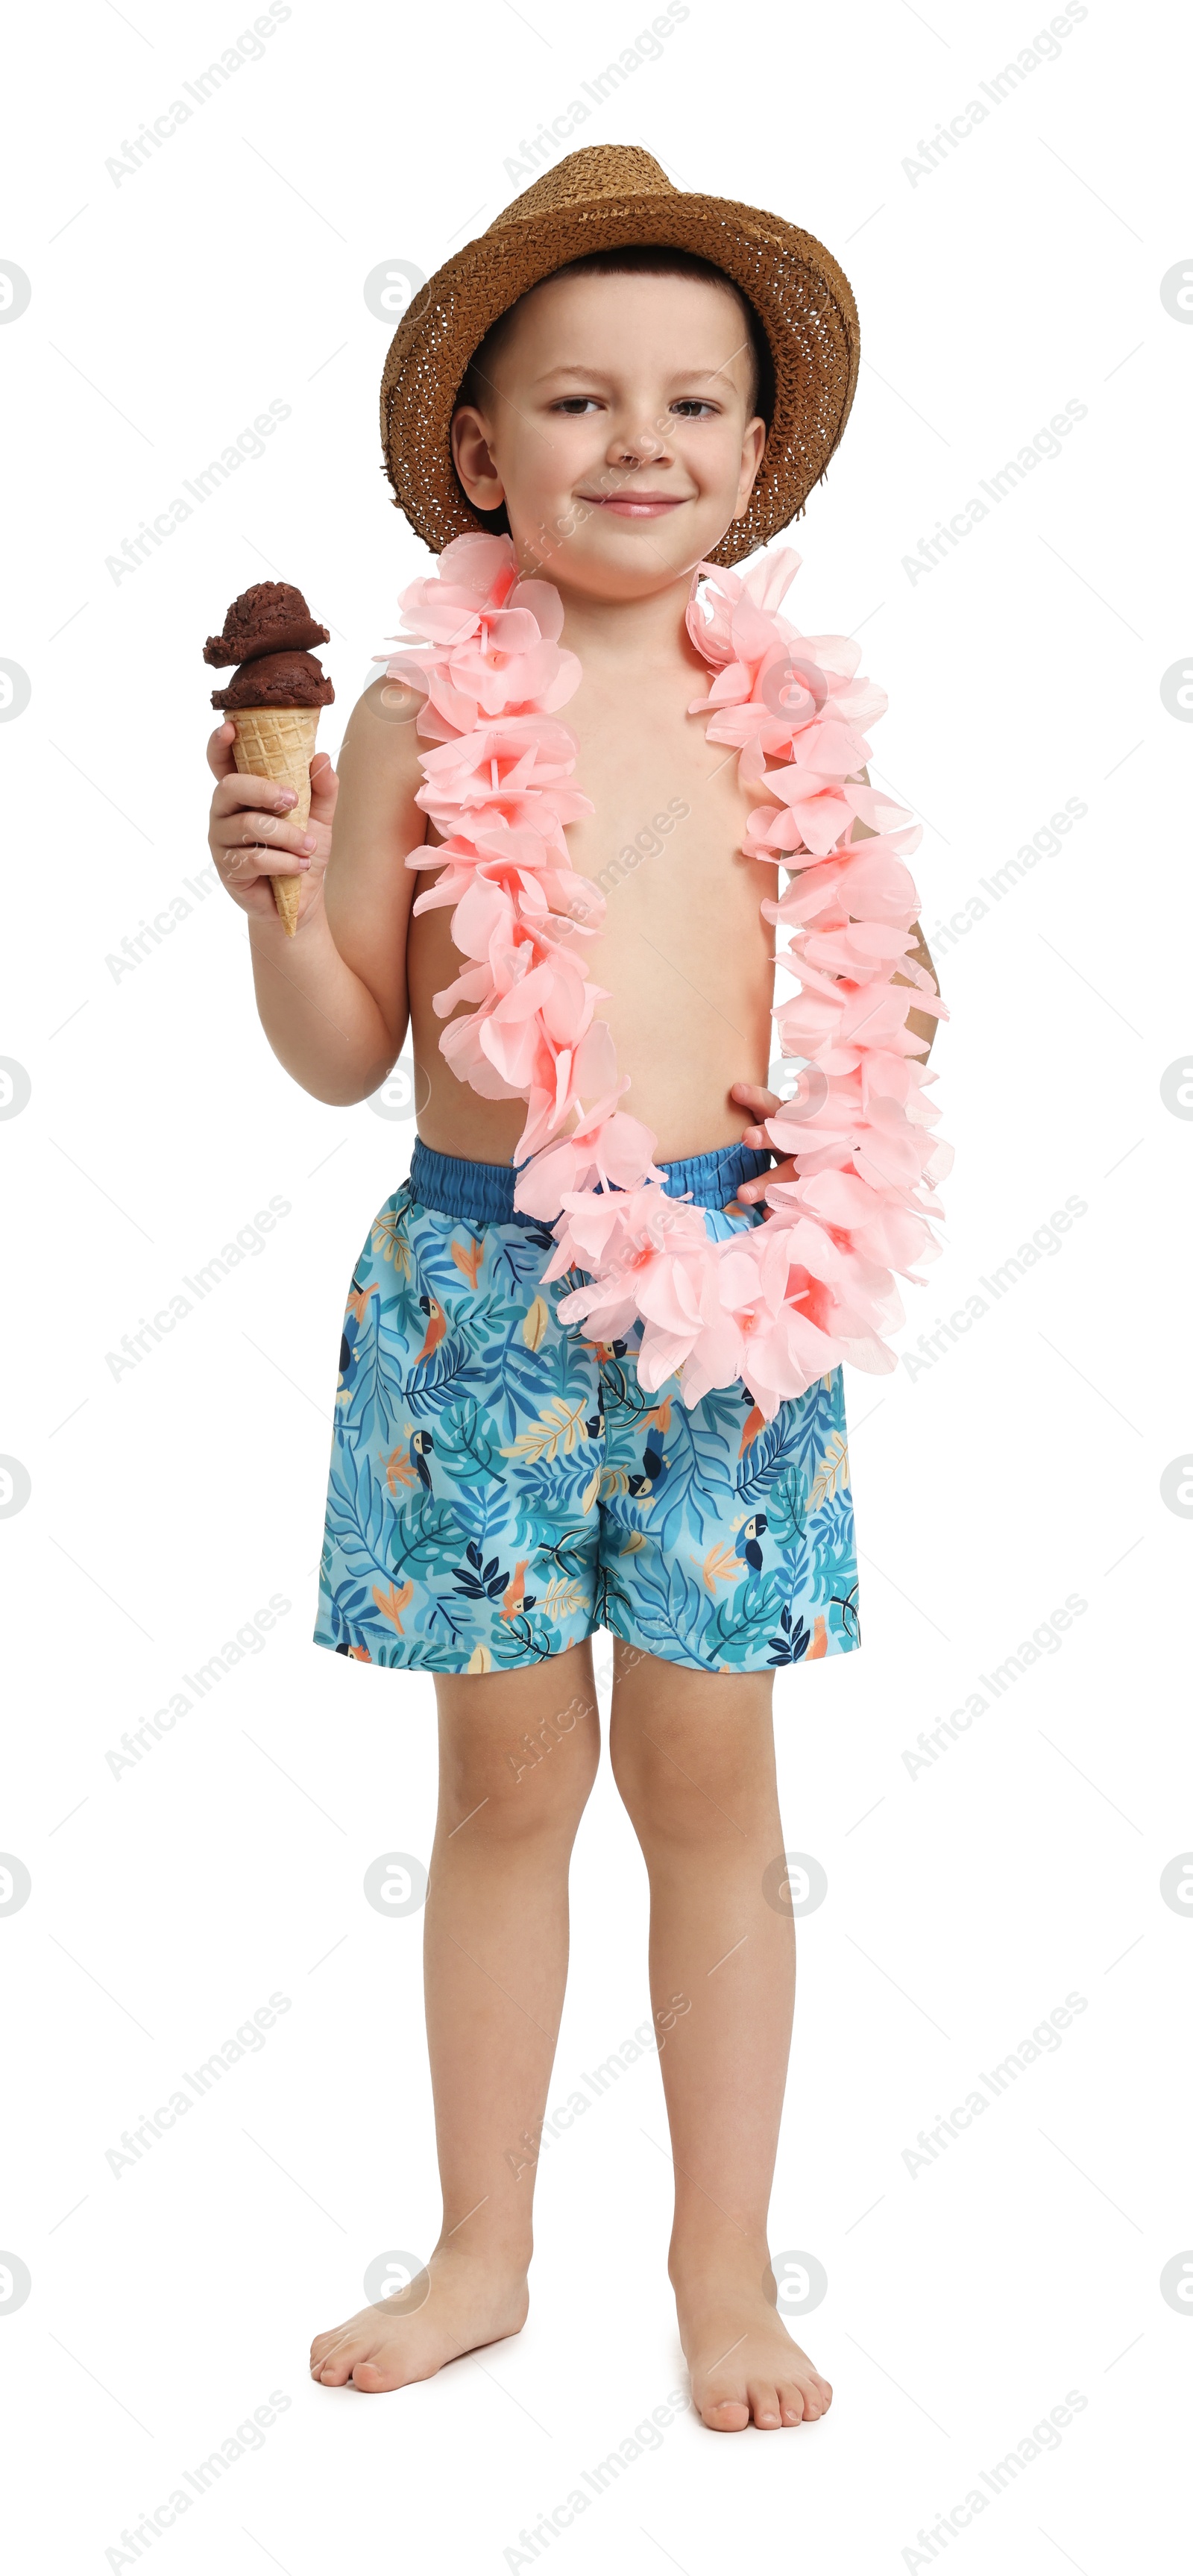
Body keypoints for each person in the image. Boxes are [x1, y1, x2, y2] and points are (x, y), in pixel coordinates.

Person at [205, 146, 943, 2433]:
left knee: (713, 1778)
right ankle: (483, 2251)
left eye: (697, 407)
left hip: (742, 1288)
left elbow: (885, 997)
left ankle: (726, 2269)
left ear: (755, 454)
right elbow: (351, 1056)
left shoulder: (783, 718)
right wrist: (269, 905)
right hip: (476, 1302)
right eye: (582, 403)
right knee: (510, 1788)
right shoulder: (428, 722)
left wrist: (893, 1019)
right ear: (477, 453)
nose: (644, 445)